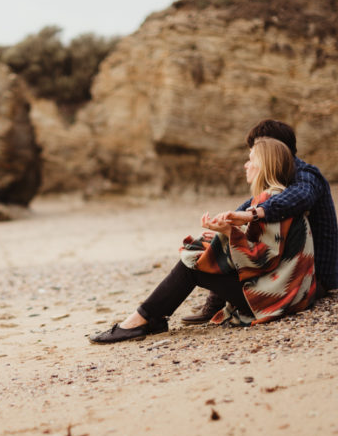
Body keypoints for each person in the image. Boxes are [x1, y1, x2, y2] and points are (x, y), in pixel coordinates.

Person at [90, 137, 317, 344]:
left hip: (275, 300)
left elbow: (261, 260)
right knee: (200, 251)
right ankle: (148, 318)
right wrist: (218, 236)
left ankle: (141, 320)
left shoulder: (271, 199)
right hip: (289, 294)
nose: (246, 166)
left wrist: (228, 233)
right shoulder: (276, 198)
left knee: (192, 267)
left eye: (250, 160)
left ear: (265, 166)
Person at [181, 119, 338, 325]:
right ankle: (213, 303)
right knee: (224, 240)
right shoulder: (278, 182)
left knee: (238, 245)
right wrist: (225, 230)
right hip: (286, 269)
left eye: (256, 152)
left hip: (311, 279)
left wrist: (251, 216)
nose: (252, 159)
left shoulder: (306, 177)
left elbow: (296, 198)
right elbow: (246, 211)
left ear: (274, 150)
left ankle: (212, 303)